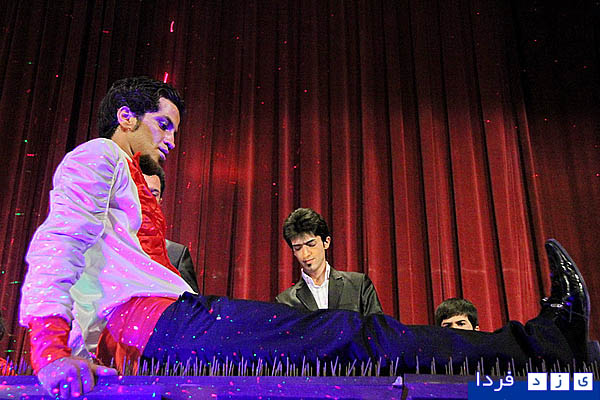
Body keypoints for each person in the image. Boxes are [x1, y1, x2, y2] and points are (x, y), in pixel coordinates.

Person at [20, 77, 590, 399]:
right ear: (126, 116)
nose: (170, 139)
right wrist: (50, 351)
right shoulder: (97, 156)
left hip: (168, 325)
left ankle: (536, 353)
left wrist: (79, 354)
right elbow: (57, 245)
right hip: (169, 324)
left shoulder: (123, 175)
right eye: (162, 124)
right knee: (355, 337)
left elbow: (92, 278)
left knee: (355, 340)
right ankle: (542, 347)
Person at [276, 208, 383, 315]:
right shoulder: (285, 302)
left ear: (326, 242)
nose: (305, 254)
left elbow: (377, 324)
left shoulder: (358, 285)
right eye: (298, 248)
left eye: (311, 244)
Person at [143, 171, 199, 293]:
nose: (146, 199)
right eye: (141, 191)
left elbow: (190, 303)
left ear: (160, 201)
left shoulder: (175, 254)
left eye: (153, 194)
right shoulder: (106, 244)